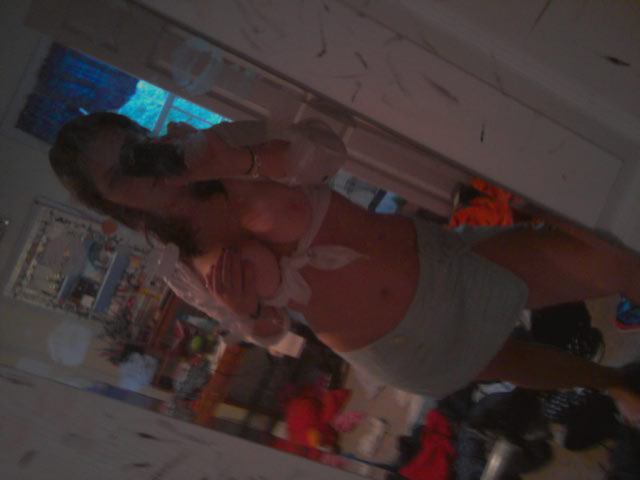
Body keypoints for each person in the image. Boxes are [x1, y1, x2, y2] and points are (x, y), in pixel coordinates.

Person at [49, 112, 640, 425]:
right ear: (110, 201)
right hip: (393, 347)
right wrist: (247, 313)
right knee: (506, 360)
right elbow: (273, 331)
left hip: (440, 263)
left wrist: (240, 160)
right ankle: (615, 383)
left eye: (133, 150)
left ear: (144, 134)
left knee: (611, 264)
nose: (139, 175)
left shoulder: (216, 146)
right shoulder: (177, 268)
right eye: (117, 178)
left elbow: (326, 149)